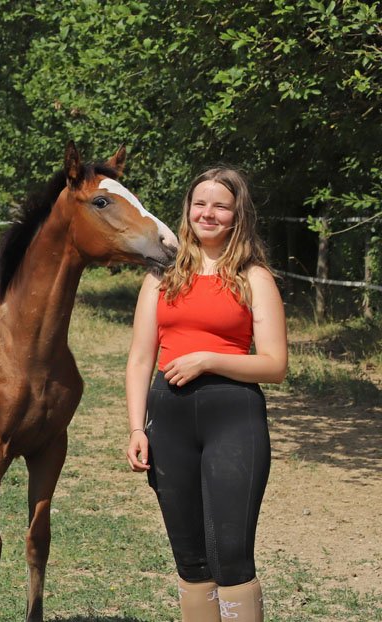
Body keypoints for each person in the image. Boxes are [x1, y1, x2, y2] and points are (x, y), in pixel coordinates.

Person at [124, 167, 287, 622]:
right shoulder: (161, 276)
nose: (208, 214)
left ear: (237, 215)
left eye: (220, 206)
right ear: (188, 210)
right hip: (168, 422)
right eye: (200, 204)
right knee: (191, 560)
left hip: (234, 420)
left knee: (230, 556)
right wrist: (136, 428)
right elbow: (140, 359)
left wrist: (208, 360)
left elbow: (275, 364)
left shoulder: (254, 277)